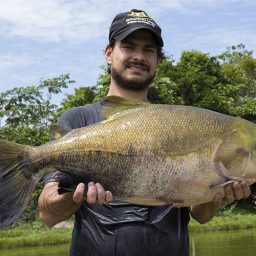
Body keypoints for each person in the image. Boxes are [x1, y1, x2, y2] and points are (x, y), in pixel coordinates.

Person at [38, 9, 251, 256]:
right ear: (109, 54)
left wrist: (217, 195)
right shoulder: (77, 120)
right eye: (129, 46)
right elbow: (47, 215)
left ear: (158, 60)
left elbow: (201, 216)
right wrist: (75, 198)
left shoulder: (178, 122)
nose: (139, 56)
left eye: (148, 50)